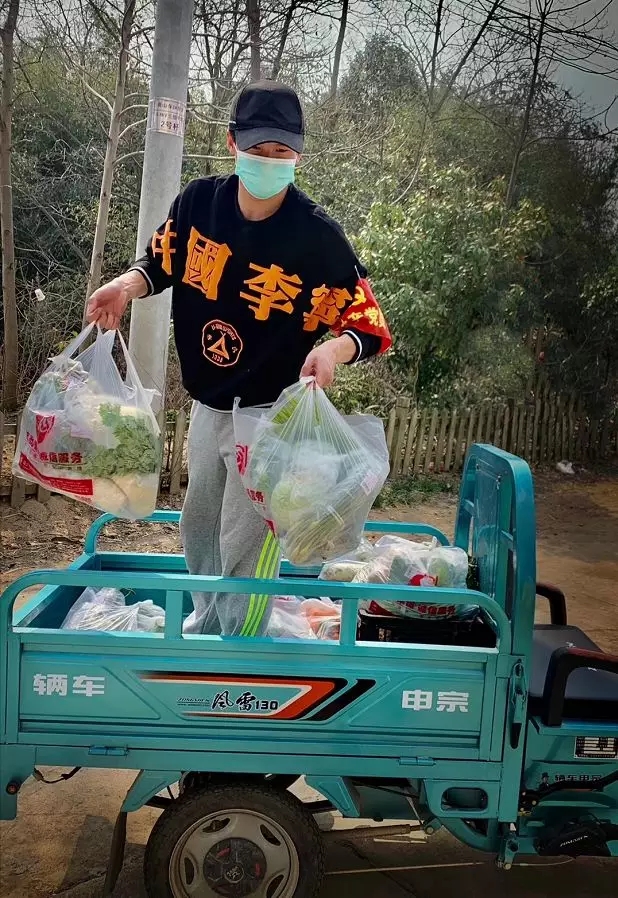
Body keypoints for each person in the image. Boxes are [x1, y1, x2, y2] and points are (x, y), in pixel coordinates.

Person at [87, 80, 391, 636]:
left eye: (282, 152)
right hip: (209, 404)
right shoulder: (200, 204)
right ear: (233, 143)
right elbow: (160, 262)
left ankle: (239, 646)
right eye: (258, 150)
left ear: (298, 153)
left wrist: (333, 349)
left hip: (269, 418)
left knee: (245, 538)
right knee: (199, 525)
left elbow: (369, 325)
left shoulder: (316, 236)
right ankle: (207, 626)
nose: (270, 162)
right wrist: (126, 287)